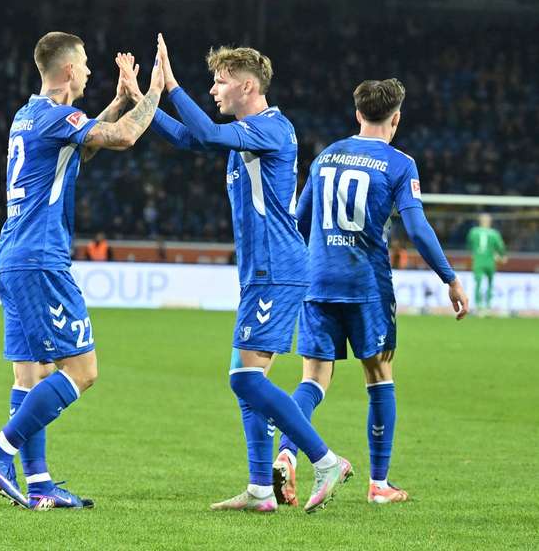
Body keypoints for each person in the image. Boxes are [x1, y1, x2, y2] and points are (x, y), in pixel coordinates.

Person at [146, 34, 352, 513]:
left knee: (243, 380)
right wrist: (143, 102)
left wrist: (172, 86)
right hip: (261, 271)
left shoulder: (272, 129)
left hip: (278, 269)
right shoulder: (247, 135)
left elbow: (208, 134)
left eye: (219, 83)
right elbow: (190, 137)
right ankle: (261, 490)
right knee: (248, 379)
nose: (213, 91)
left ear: (246, 85)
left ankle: (325, 459)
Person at [0, 32, 165, 510]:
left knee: (31, 374)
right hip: (40, 259)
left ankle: (38, 486)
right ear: (65, 71)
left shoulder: (28, 115)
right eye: (84, 65)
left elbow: (83, 144)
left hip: (13, 255)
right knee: (82, 370)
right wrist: (155, 89)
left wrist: (118, 100)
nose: (89, 72)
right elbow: (122, 138)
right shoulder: (55, 117)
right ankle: (0, 450)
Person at [273, 79, 469, 506]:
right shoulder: (399, 164)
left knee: (313, 380)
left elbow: (298, 220)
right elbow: (415, 227)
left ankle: (287, 452)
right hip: (367, 287)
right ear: (395, 118)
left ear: (357, 114)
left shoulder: (326, 156)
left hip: (317, 282)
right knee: (380, 378)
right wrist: (450, 278)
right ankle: (379, 484)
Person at [466, 213, 507, 313]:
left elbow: (469, 244)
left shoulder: (473, 232)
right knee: (489, 283)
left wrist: (474, 252)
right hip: (489, 260)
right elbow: (501, 247)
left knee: (479, 283)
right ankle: (487, 306)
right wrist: (502, 256)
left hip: (478, 260)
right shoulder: (494, 233)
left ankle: (479, 306)